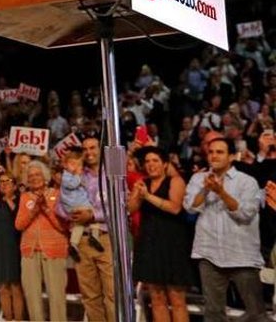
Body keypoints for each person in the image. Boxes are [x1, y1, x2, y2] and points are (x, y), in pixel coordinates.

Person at [184, 137, 266, 321]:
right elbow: (190, 207)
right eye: (211, 152)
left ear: (231, 157)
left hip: (242, 254)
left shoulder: (247, 182)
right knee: (213, 312)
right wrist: (205, 190)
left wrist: (221, 193)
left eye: (219, 152)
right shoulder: (198, 179)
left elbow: (245, 213)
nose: (214, 156)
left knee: (256, 313)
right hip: (208, 252)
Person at [127, 146, 192, 322]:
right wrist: (136, 193)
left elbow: (175, 207)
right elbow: (130, 209)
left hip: (173, 245)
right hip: (149, 244)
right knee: (156, 298)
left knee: (177, 299)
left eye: (155, 160)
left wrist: (147, 196)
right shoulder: (143, 184)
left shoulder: (175, 181)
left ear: (165, 164)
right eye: (147, 161)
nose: (151, 164)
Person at [56, 135, 115, 322]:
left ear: (101, 150)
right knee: (90, 296)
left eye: (93, 148)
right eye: (85, 149)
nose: (89, 152)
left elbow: (120, 208)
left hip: (105, 238)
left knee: (112, 293)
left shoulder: (112, 174)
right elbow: (59, 206)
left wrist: (93, 215)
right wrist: (73, 215)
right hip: (81, 240)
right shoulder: (76, 175)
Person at [15, 160, 67, 322]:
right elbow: (18, 225)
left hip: (54, 250)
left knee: (56, 294)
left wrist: (45, 209)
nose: (34, 178)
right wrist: (33, 211)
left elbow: (63, 226)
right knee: (31, 295)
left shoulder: (57, 195)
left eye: (37, 174)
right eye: (30, 176)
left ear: (45, 176)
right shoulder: (25, 197)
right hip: (29, 251)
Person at [0, 173, 24, 321]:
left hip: (14, 247)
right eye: (1, 182)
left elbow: (18, 217)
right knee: (2, 286)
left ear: (14, 185)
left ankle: (18, 318)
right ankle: (8, 318)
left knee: (15, 285)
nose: (4, 184)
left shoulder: (19, 200)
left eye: (7, 181)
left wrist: (8, 199)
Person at [59, 149, 102, 262]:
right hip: (76, 203)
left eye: (79, 164)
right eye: (72, 164)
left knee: (80, 225)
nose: (76, 167)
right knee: (93, 217)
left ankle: (74, 244)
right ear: (65, 164)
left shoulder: (75, 175)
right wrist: (78, 175)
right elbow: (72, 184)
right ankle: (94, 236)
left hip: (79, 203)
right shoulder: (66, 176)